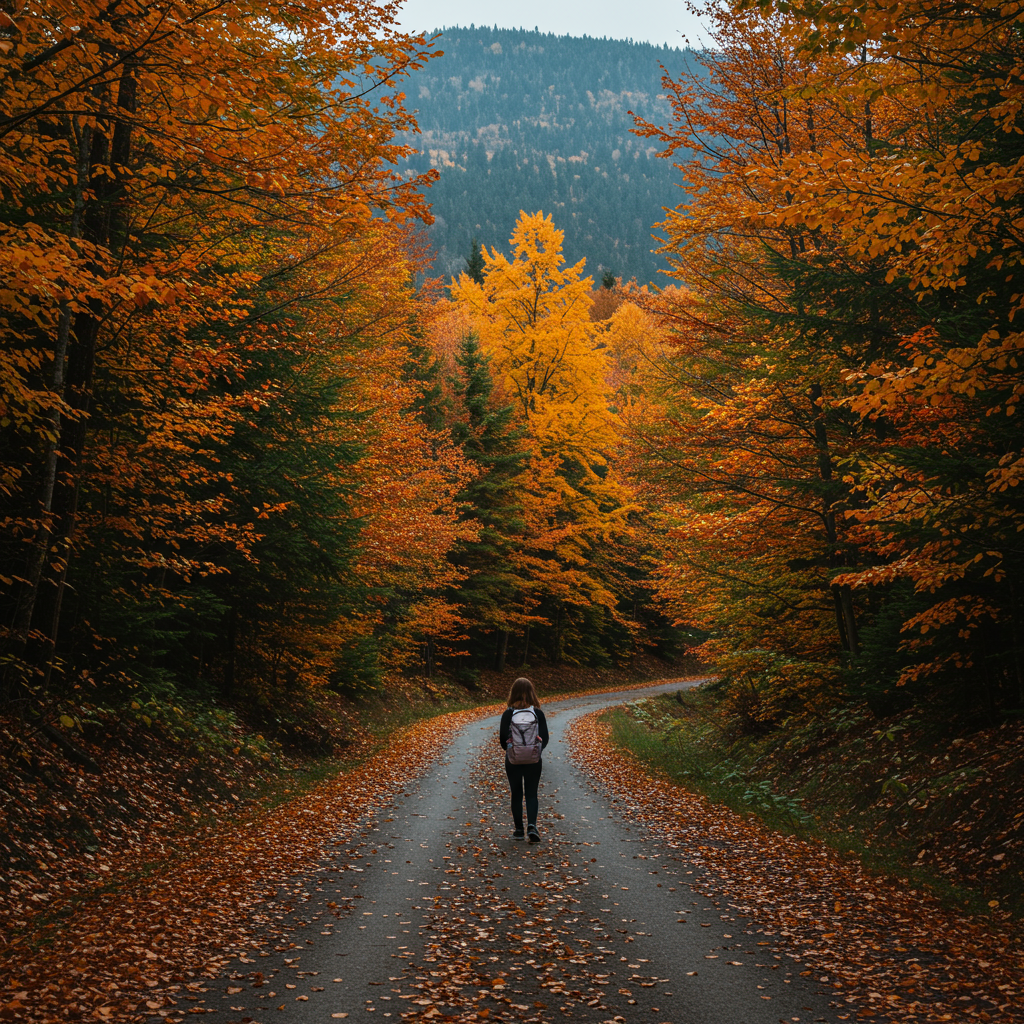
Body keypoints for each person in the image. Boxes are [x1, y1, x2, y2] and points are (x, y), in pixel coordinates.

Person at [499, 676, 549, 842]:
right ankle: (532, 826)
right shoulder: (538, 713)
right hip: (533, 760)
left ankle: (519, 830)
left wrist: (513, 750)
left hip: (513, 760)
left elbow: (502, 740)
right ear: (531, 692)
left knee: (516, 793)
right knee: (532, 793)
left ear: (513, 693)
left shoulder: (508, 714)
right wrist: (533, 751)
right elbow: (545, 738)